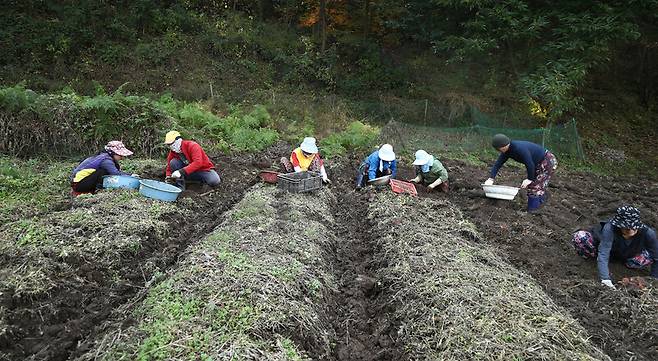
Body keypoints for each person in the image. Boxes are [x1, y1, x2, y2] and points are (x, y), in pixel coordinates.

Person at [571, 206, 658, 289]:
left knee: (650, 255)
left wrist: (653, 281)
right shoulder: (609, 229)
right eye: (627, 228)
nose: (631, 231)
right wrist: (605, 279)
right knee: (580, 237)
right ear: (619, 225)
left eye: (634, 228)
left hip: (629, 255)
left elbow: (656, 258)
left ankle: (627, 263)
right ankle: (593, 258)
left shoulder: (648, 233)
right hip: (604, 250)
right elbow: (603, 253)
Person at [484, 134, 557, 212]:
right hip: (538, 163)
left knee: (534, 187)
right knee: (536, 185)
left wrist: (529, 179)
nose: (498, 150)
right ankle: (540, 202)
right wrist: (491, 178)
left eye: (499, 148)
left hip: (547, 161)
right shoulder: (506, 151)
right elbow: (498, 164)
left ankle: (533, 211)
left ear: (504, 146)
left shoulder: (519, 148)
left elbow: (529, 163)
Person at [70, 141, 136, 196]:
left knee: (105, 171)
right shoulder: (106, 160)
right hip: (78, 184)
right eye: (120, 155)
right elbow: (116, 174)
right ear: (112, 153)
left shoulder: (105, 157)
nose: (122, 157)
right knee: (103, 172)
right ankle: (97, 191)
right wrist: (131, 175)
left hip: (82, 181)